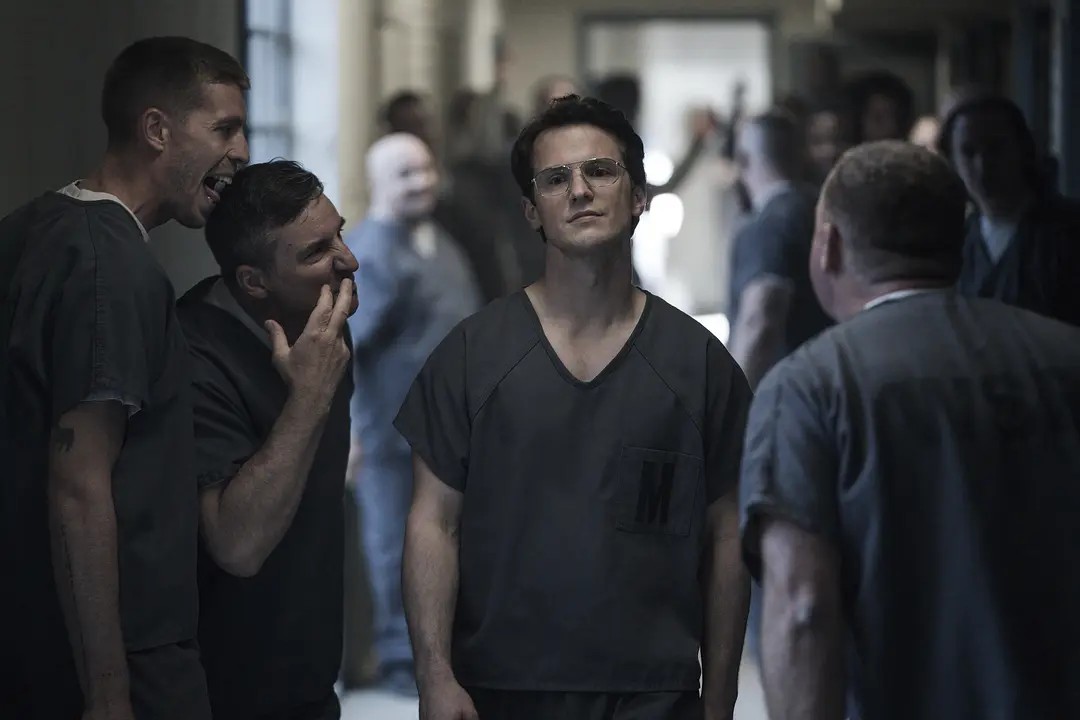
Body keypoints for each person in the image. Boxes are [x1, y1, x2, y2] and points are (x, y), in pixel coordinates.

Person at [396, 95, 752, 720]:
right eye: (556, 179)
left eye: (601, 171)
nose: (580, 190)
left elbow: (727, 535)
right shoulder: (472, 356)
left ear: (639, 196)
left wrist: (720, 698)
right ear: (532, 211)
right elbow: (434, 524)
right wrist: (434, 676)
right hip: (500, 690)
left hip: (653, 694)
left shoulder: (698, 364)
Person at [740, 140, 1080, 720]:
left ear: (829, 246)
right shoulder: (1067, 356)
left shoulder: (808, 389)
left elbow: (803, 610)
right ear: (959, 241)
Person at [1, 36, 249, 719]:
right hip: (126, 660)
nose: (241, 151)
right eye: (224, 128)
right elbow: (79, 487)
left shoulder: (32, 229)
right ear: (156, 129)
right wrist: (109, 691)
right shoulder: (111, 267)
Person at [177, 160, 357, 720]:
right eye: (317, 251)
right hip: (222, 689)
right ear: (254, 282)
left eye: (340, 234)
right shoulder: (192, 354)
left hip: (309, 674)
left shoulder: (322, 322)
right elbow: (237, 546)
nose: (349, 261)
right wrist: (309, 397)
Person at [346, 133, 482, 697]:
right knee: (393, 545)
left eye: (426, 169)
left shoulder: (436, 239)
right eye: (405, 174)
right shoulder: (371, 252)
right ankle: (402, 658)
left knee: (444, 541)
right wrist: (350, 431)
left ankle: (440, 653)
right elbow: (347, 348)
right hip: (389, 434)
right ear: (377, 182)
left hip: (445, 431)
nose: (421, 182)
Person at [938, 92, 1080, 326]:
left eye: (995, 148)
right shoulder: (955, 242)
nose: (982, 165)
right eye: (968, 152)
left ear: (1022, 149)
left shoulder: (1069, 232)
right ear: (953, 161)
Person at [729, 110, 832, 391]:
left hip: (785, 393)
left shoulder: (767, 224)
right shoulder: (824, 210)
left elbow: (759, 319)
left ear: (743, 161)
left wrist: (730, 403)